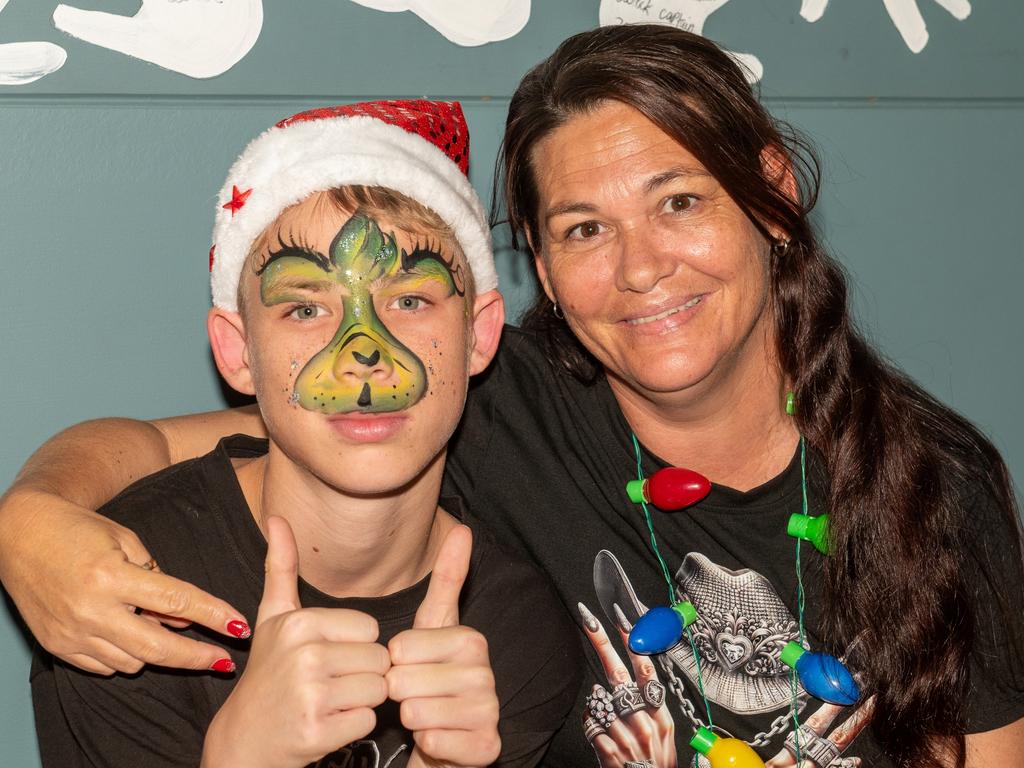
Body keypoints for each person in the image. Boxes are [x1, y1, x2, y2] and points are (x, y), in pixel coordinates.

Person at [2, 24, 1022, 768]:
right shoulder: (479, 404)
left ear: (770, 194)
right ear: (534, 261)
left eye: (678, 201)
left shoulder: (934, 483)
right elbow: (170, 441)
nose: (640, 268)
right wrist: (29, 521)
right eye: (583, 228)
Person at [24, 99, 580, 768]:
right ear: (238, 354)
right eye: (305, 307)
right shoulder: (127, 597)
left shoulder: (515, 627)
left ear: (480, 335)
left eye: (410, 300)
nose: (363, 353)